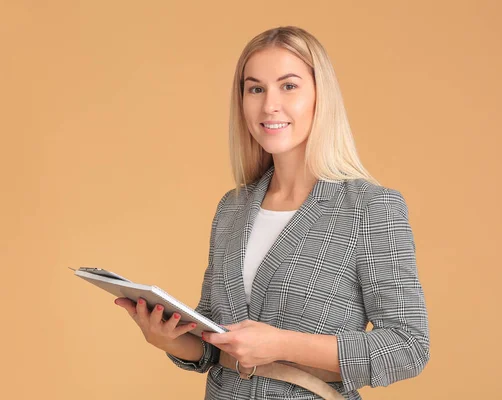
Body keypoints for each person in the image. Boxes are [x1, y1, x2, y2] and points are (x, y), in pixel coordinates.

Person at [115, 26, 429, 400]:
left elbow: (409, 347)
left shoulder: (369, 208)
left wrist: (281, 345)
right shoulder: (232, 208)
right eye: (256, 89)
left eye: (289, 86)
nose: (269, 105)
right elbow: (216, 346)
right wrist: (165, 338)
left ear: (320, 96)